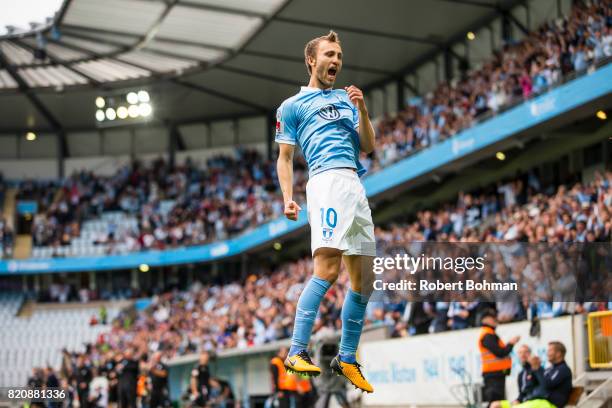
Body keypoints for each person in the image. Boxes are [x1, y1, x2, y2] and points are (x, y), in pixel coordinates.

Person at [275, 30, 377, 393]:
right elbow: (284, 158)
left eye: (339, 55)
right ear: (311, 60)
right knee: (328, 270)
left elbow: (368, 145)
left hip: (354, 184)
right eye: (329, 54)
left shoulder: (347, 98)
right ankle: (297, 350)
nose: (336, 60)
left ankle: (347, 358)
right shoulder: (292, 106)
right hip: (327, 182)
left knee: (365, 279)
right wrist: (287, 196)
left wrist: (363, 109)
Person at [479, 310, 520, 404]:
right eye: (493, 318)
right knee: (495, 402)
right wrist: (511, 344)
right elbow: (500, 352)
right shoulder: (487, 335)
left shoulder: (489, 333)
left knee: (497, 401)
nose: (495, 320)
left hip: (496, 374)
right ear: (486, 320)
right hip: (493, 374)